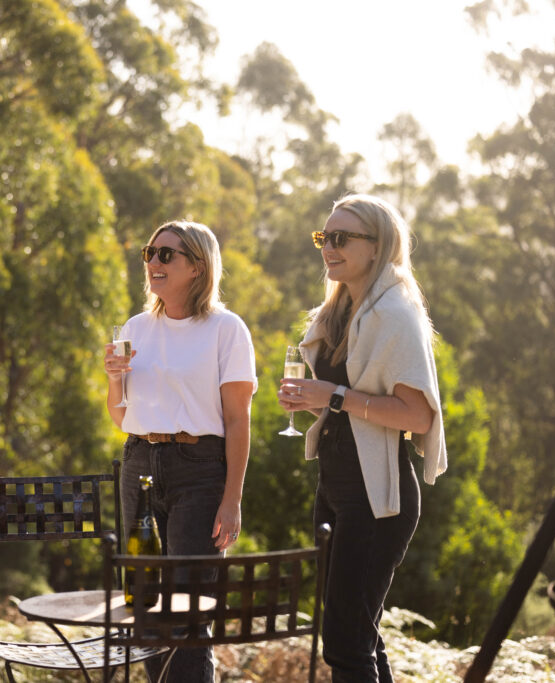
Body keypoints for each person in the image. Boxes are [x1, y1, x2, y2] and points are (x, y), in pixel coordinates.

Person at [277, 194, 447, 682]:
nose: (327, 247)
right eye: (323, 238)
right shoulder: (340, 311)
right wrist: (314, 400)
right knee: (359, 636)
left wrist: (331, 396)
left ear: (376, 247)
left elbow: (417, 416)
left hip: (378, 495)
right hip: (335, 485)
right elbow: (347, 403)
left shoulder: (395, 313)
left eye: (340, 238)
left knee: (346, 643)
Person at [103, 220, 257, 682]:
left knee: (188, 615)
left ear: (197, 265)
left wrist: (232, 499)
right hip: (139, 465)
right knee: (146, 608)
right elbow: (120, 417)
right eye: (150, 252)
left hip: (201, 472)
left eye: (166, 254)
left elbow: (237, 420)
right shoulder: (135, 327)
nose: (153, 262)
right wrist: (113, 378)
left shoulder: (227, 330)